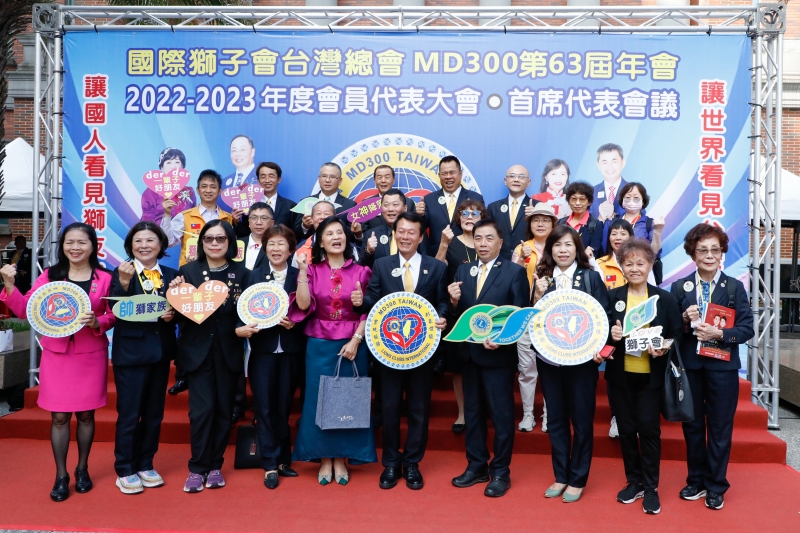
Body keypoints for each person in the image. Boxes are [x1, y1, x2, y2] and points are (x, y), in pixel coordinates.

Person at [0, 223, 115, 502]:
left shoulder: (105, 278)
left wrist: (98, 321)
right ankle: (61, 475)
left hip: (90, 355)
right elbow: (26, 310)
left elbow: (114, 313)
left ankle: (82, 469)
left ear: (93, 246)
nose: (75, 247)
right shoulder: (50, 276)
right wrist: (9, 285)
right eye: (69, 242)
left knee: (86, 415)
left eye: (82, 242)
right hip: (57, 355)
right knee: (60, 417)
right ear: (62, 246)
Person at [354, 212, 448, 490]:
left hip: (422, 350)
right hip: (389, 351)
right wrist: (360, 301)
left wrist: (442, 316)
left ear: (421, 237)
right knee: (390, 407)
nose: (405, 236)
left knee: (419, 408)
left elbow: (442, 301)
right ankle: (391, 463)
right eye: (401, 231)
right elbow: (373, 299)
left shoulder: (436, 267)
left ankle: (413, 463)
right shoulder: (382, 265)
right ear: (395, 234)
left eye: (411, 232)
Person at [670, 223, 754, 511]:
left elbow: (747, 329)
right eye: (702, 250)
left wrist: (720, 334)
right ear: (692, 254)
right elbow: (671, 330)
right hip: (691, 367)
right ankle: (696, 480)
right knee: (692, 426)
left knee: (719, 428)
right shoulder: (680, 287)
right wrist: (683, 318)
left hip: (723, 369)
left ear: (722, 254)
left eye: (714, 250)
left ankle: (716, 485)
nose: (709, 255)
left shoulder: (734, 287)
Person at [289, 216, 376, 485]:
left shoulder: (362, 271)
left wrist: (356, 340)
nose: (336, 237)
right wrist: (302, 272)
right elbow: (303, 306)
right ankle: (324, 457)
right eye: (329, 234)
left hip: (353, 344)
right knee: (318, 401)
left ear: (347, 238)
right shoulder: (313, 271)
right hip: (319, 344)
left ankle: (341, 457)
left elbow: (369, 311)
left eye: (340, 232)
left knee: (348, 400)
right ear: (320, 242)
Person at [449, 219, 529, 498]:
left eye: (489, 238)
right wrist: (453, 301)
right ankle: (476, 466)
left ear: (500, 242)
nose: (483, 244)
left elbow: (520, 315)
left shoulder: (515, 272)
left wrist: (503, 339)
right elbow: (458, 314)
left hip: (498, 358)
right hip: (469, 356)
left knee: (501, 416)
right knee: (472, 414)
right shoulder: (463, 270)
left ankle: (501, 472)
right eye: (478, 238)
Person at [604, 239, 683, 515]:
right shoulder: (612, 297)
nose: (635, 268)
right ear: (621, 267)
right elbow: (601, 335)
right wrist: (611, 336)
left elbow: (677, 334)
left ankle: (651, 487)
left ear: (650, 265)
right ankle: (634, 481)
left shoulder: (665, 299)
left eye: (641, 263)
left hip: (651, 377)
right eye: (629, 263)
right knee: (626, 430)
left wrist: (663, 347)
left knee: (649, 430)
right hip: (620, 376)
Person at [531, 225, 609, 503]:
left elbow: (605, 318)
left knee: (582, 420)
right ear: (549, 249)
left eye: (568, 245)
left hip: (582, 362)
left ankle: (578, 478)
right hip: (549, 361)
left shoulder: (590, 277)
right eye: (557, 245)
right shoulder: (542, 279)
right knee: (556, 419)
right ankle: (561, 475)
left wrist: (602, 351)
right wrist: (537, 295)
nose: (562, 250)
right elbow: (532, 321)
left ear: (577, 249)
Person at [172, 220, 247, 493]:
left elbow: (245, 311)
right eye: (209, 239)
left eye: (220, 239)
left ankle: (215, 465)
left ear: (230, 243)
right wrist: (175, 293)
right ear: (201, 243)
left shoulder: (243, 273)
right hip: (198, 352)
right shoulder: (188, 271)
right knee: (201, 411)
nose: (215, 244)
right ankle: (197, 467)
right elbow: (179, 314)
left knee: (224, 411)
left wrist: (244, 327)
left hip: (228, 350)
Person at [110, 222, 178, 494]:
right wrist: (124, 283)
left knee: (153, 415)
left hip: (160, 353)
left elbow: (183, 311)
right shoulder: (121, 272)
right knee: (129, 415)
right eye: (138, 241)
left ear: (161, 245)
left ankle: (146, 463)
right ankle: (125, 468)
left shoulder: (172, 275)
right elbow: (114, 308)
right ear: (130, 246)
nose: (144, 245)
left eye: (150, 240)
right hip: (130, 355)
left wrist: (173, 314)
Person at [235, 225, 304, 490]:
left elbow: (308, 310)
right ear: (265, 248)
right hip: (262, 350)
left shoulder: (299, 276)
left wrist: (295, 322)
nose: (276, 249)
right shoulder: (254, 276)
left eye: (281, 244)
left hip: (290, 350)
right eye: (271, 244)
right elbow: (242, 310)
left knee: (283, 406)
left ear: (291, 249)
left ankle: (284, 459)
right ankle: (270, 464)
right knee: (264, 407)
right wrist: (247, 325)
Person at [436, 198, 487, 434]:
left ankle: (483, 410)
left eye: (475, 214)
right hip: (457, 311)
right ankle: (462, 413)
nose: (469, 217)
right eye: (465, 213)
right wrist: (443, 244)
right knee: (458, 367)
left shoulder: (487, 242)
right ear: (458, 217)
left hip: (486, 312)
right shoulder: (451, 242)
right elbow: (436, 270)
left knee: (484, 362)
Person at [510, 203, 559, 433]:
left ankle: (549, 414)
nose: (540, 224)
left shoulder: (559, 247)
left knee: (551, 370)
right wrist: (522, 260)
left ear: (553, 224)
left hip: (553, 317)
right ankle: (528, 414)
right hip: (526, 314)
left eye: (546, 220)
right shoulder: (522, 247)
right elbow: (509, 278)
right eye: (536, 220)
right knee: (527, 369)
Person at [161, 169, 235, 267]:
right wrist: (167, 214)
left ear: (220, 191)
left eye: (213, 187)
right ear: (197, 190)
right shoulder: (185, 216)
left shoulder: (228, 218)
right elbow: (168, 242)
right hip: (190, 271)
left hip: (219, 270)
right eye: (204, 186)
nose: (208, 190)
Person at [417, 155, 484, 256]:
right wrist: (418, 215)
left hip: (466, 256)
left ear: (460, 174)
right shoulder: (429, 199)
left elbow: (482, 228)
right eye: (444, 173)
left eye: (452, 172)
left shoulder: (475, 198)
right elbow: (421, 229)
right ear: (439, 175)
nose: (448, 176)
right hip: (437, 256)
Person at [601, 182, 666, 285]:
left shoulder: (649, 223)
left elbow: (654, 253)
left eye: (636, 198)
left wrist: (657, 231)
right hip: (614, 270)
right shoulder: (612, 221)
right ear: (622, 200)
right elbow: (605, 247)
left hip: (640, 271)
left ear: (643, 201)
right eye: (627, 198)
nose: (631, 201)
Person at [360, 189, 427, 268]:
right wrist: (368, 251)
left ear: (405, 208)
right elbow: (360, 268)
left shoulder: (416, 233)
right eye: (386, 205)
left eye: (395, 205)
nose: (390, 209)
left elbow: (426, 262)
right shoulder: (371, 235)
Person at [235, 162, 298, 240]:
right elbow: (244, 234)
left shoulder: (291, 206)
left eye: (271, 176)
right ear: (258, 180)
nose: (267, 180)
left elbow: (295, 235)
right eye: (263, 177)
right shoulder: (249, 204)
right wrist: (236, 221)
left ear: (279, 179)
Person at [487, 165, 538, 261]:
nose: (516, 180)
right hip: (499, 261)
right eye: (512, 176)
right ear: (505, 181)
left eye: (521, 177)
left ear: (528, 182)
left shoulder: (537, 206)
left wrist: (536, 216)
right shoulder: (493, 208)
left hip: (529, 260)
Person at [294, 163, 356, 241]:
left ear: (340, 181)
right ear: (319, 178)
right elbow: (295, 233)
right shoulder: (306, 202)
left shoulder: (350, 205)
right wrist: (304, 226)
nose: (327, 180)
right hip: (311, 247)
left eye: (332, 177)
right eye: (324, 176)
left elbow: (354, 234)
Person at [140, 148, 196, 225]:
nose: (173, 167)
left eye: (177, 162)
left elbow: (193, 218)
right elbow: (147, 220)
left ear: (183, 166)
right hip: (159, 231)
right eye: (168, 162)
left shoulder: (189, 191)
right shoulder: (151, 191)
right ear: (161, 167)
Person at [363, 165, 417, 230]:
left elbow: (414, 227)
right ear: (374, 181)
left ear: (394, 180)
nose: (383, 180)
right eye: (379, 177)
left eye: (387, 177)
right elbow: (363, 230)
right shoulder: (366, 204)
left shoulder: (408, 203)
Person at [559, 181, 603, 257]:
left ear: (589, 202)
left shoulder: (596, 225)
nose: (577, 203)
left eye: (582, 199)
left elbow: (593, 253)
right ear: (568, 201)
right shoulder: (560, 223)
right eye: (574, 199)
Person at [590, 143, 627, 222]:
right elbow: (586, 224)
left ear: (623, 163)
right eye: (604, 162)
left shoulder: (633, 191)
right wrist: (600, 219)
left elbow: (640, 223)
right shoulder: (591, 193)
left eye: (614, 161)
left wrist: (613, 216)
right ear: (598, 165)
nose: (609, 166)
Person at [242, 202, 275, 271]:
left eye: (264, 218)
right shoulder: (237, 244)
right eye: (254, 218)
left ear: (272, 223)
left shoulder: (276, 247)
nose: (259, 222)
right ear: (249, 222)